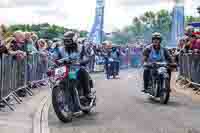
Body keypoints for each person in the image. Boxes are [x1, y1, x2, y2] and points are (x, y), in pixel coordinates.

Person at [57, 31, 93, 98]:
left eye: (68, 40)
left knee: (83, 71)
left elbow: (87, 57)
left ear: (74, 40)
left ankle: (87, 92)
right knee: (57, 77)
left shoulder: (81, 47)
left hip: (77, 68)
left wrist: (82, 62)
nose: (66, 42)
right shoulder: (60, 49)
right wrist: (54, 63)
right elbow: (56, 58)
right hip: (64, 69)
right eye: (65, 40)